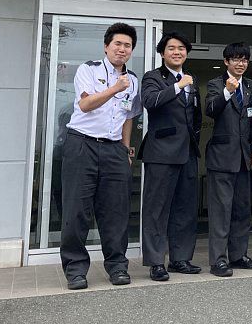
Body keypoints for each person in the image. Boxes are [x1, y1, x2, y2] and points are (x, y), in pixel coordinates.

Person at [60, 22, 141, 290]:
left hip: (114, 149)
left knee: (116, 211)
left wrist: (125, 148)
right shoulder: (89, 69)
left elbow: (129, 116)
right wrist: (114, 88)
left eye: (127, 45)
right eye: (117, 44)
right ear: (106, 46)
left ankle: (117, 266)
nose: (122, 49)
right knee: (77, 210)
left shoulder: (133, 80)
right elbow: (85, 104)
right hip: (81, 144)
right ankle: (75, 270)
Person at [139, 31, 203, 281]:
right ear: (163, 53)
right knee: (156, 209)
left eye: (181, 48)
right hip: (161, 152)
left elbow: (195, 116)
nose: (177, 52)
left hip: (187, 152)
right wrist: (177, 86)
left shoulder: (191, 80)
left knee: (185, 208)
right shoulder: (153, 77)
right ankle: (156, 262)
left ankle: (180, 259)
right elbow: (150, 101)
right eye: (171, 48)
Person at [204, 42, 252, 277]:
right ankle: (218, 260)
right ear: (226, 62)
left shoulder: (251, 86)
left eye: (245, 60)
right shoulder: (215, 84)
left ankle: (239, 256)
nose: (241, 64)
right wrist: (227, 92)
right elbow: (210, 109)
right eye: (236, 59)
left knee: (241, 209)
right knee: (221, 211)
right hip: (221, 157)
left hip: (244, 157)